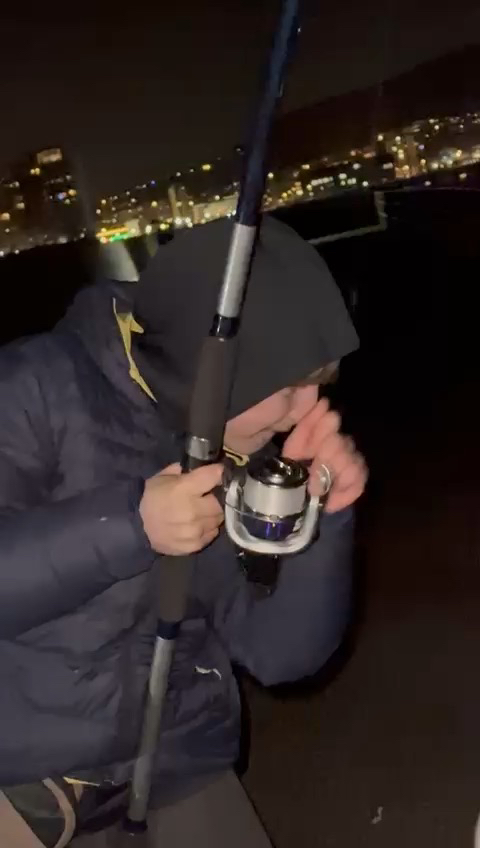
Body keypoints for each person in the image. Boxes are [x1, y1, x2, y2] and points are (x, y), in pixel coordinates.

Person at [0, 215, 366, 847]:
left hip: (176, 759)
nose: (305, 412)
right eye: (291, 386)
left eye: (318, 386)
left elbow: (281, 655)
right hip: (24, 775)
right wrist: (130, 525)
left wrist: (321, 519)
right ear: (217, 362)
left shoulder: (238, 456)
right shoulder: (35, 387)